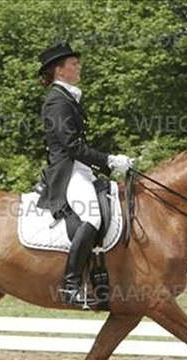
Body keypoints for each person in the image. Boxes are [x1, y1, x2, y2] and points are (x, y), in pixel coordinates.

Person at [36, 41, 132, 306]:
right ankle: (70, 285)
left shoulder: (69, 97)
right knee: (92, 214)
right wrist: (110, 160)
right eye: (74, 64)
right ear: (59, 70)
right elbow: (71, 146)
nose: (79, 67)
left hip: (81, 169)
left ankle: (100, 276)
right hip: (67, 173)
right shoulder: (57, 100)